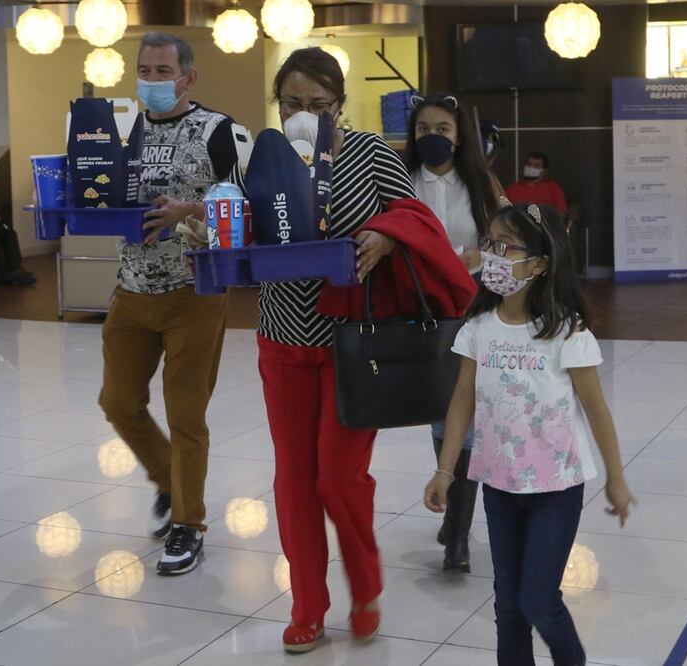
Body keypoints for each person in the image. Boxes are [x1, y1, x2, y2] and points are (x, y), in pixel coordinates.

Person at [424, 203, 634, 666]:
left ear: (539, 264)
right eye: (490, 244)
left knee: (539, 600)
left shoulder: (564, 330)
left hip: (555, 487)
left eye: (506, 247)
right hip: (498, 483)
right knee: (508, 606)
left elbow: (596, 412)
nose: (493, 256)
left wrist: (615, 478)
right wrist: (445, 471)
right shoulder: (478, 327)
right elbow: (462, 400)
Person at [258, 47, 417, 654]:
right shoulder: (265, 155)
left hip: (354, 343)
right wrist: (207, 222)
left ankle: (366, 586)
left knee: (338, 477)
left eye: (318, 106)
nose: (303, 115)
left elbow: (414, 218)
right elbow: (247, 226)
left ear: (340, 106)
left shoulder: (370, 154)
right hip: (281, 338)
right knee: (294, 481)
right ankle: (307, 606)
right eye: (292, 104)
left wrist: (383, 233)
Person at [97, 31, 241, 576]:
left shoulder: (219, 131)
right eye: (145, 70)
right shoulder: (119, 132)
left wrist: (191, 210)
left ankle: (188, 523)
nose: (153, 81)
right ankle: (167, 479)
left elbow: (245, 202)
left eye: (163, 71)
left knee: (186, 416)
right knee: (118, 401)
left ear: (189, 77)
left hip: (193, 293)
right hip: (130, 292)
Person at [404, 92, 503, 573]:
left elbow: (510, 238)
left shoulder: (482, 184)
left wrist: (480, 256)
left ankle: (458, 534)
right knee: (439, 415)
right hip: (421, 313)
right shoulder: (400, 181)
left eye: (442, 129)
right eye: (424, 129)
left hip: (475, 311)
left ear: (460, 135)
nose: (433, 138)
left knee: (466, 415)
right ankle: (453, 504)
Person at [505, 152, 568, 216]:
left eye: (536, 166)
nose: (531, 167)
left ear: (544, 171)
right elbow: (502, 211)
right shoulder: (513, 187)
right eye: (529, 164)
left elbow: (561, 214)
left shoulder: (553, 189)